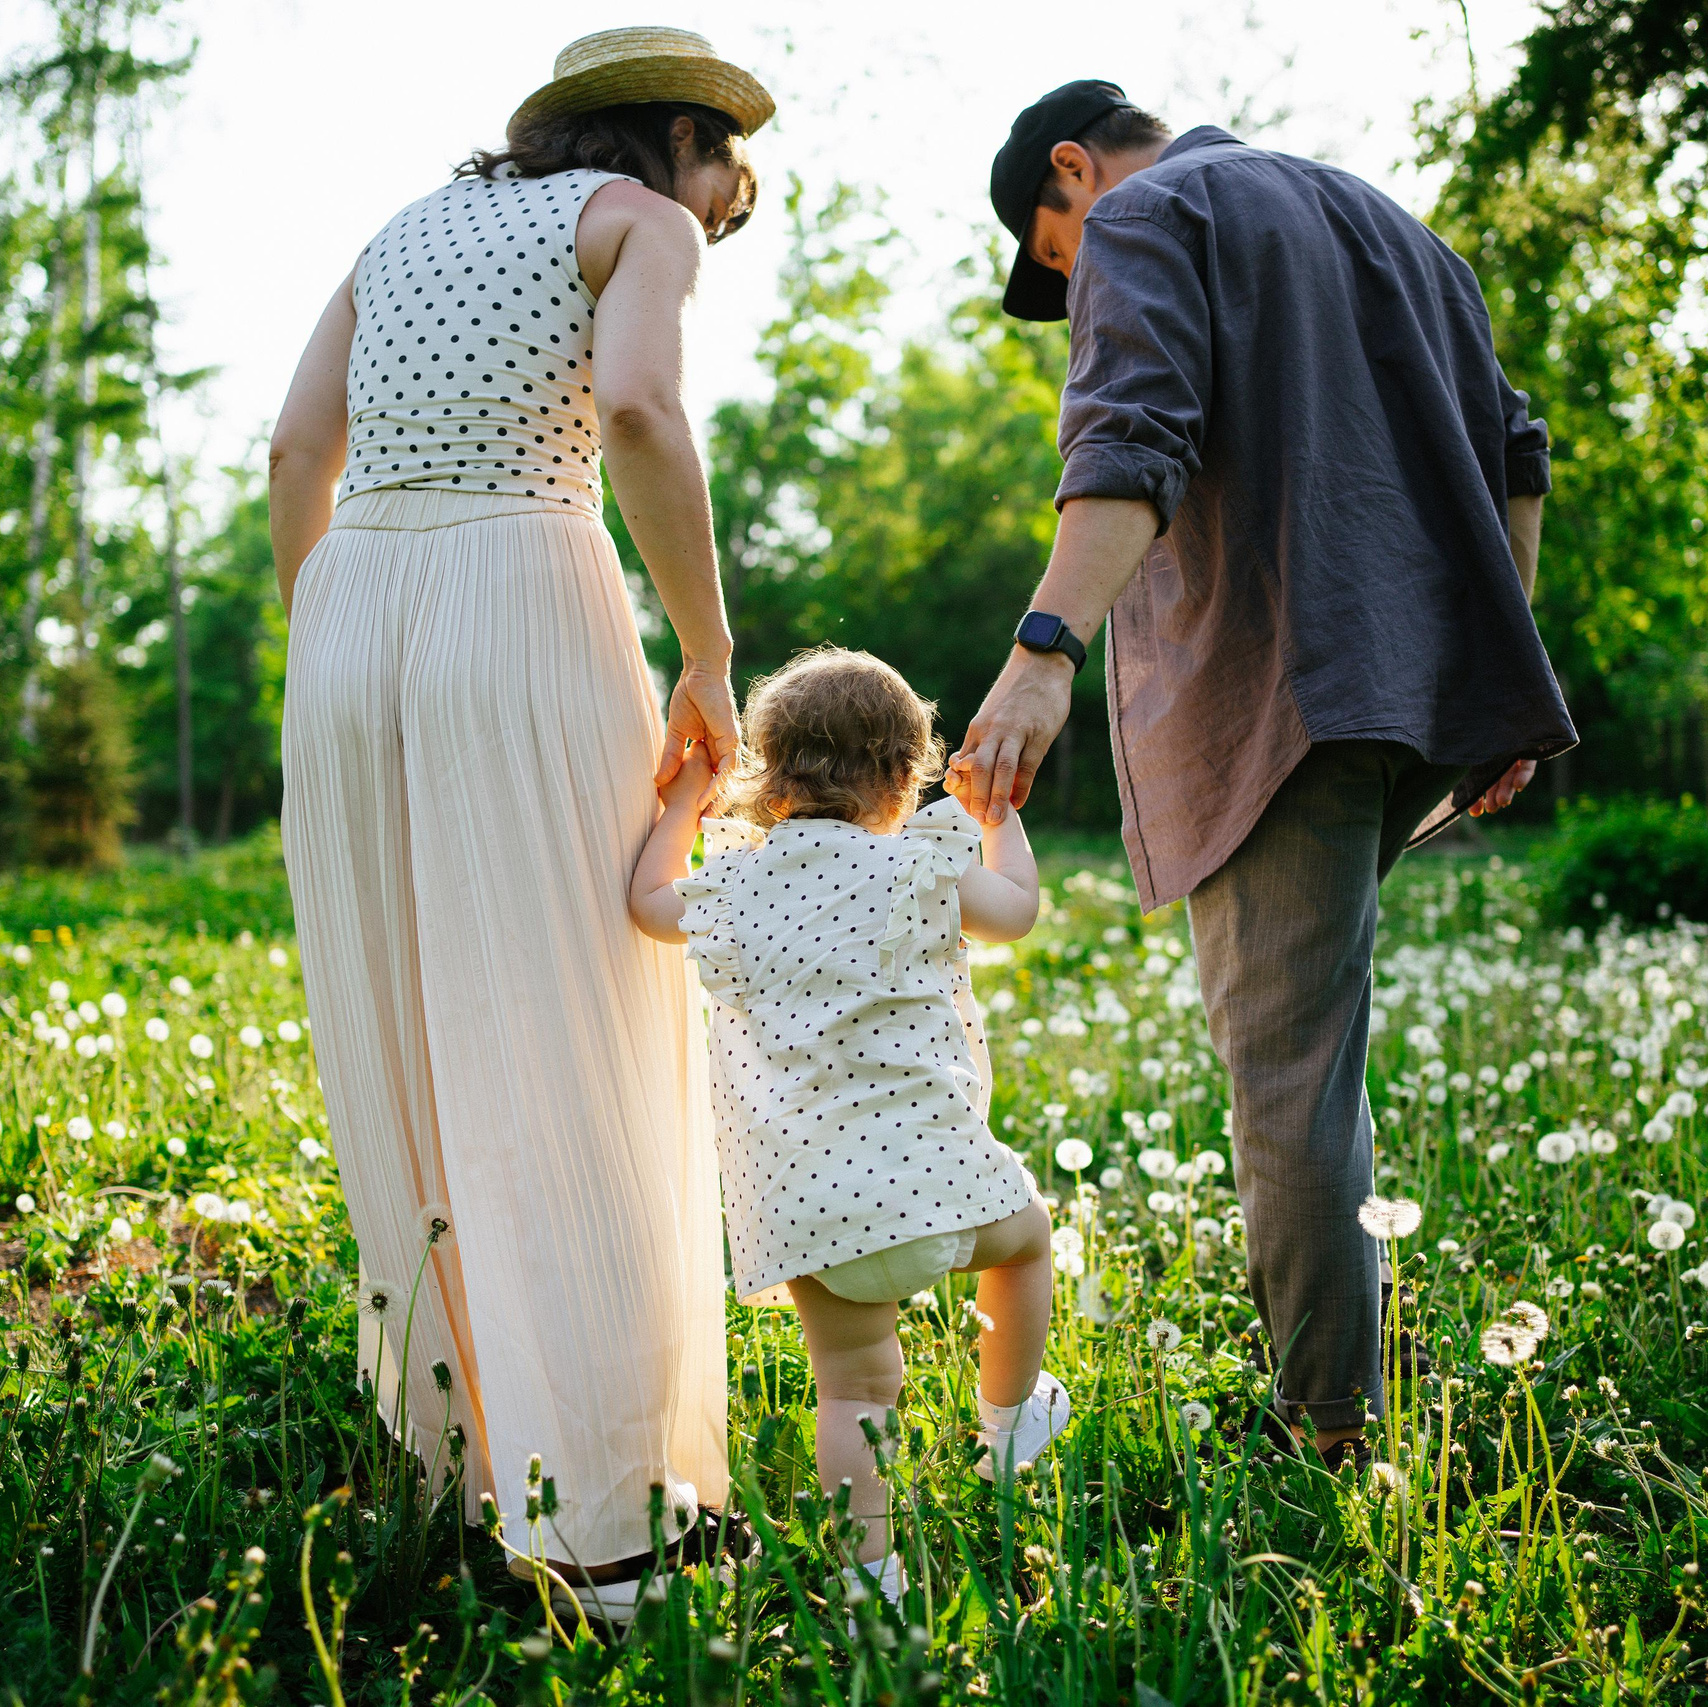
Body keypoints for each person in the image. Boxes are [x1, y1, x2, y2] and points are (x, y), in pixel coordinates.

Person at [953, 83, 1576, 1467]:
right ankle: (1351, 1344)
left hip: (1279, 686)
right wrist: (1496, 673)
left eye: (1060, 254)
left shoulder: (1149, 212)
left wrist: (1044, 649)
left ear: (1075, 171)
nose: (1078, 274)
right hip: (1408, 692)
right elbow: (1518, 447)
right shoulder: (1399, 227)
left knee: (1284, 1064)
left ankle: (1326, 1421)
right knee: (1323, 1048)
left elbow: (1128, 439)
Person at [267, 28, 774, 1619]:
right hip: (521, 591)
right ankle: (608, 1516)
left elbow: (296, 449)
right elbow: (634, 408)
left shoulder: (399, 230)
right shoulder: (641, 222)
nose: (719, 210)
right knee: (573, 1016)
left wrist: (333, 634)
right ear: (677, 139)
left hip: (350, 609)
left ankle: (459, 1459)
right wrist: (704, 647)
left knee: (408, 1021)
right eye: (726, 178)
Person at [629, 647, 1066, 1604]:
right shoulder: (920, 864)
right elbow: (1019, 911)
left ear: (764, 771)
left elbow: (648, 904)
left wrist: (680, 806)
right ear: (907, 776)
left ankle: (870, 1576)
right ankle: (1009, 1415)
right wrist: (999, 817)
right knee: (1027, 1240)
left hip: (812, 1207)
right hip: (939, 1180)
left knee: (856, 1393)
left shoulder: (735, 885)